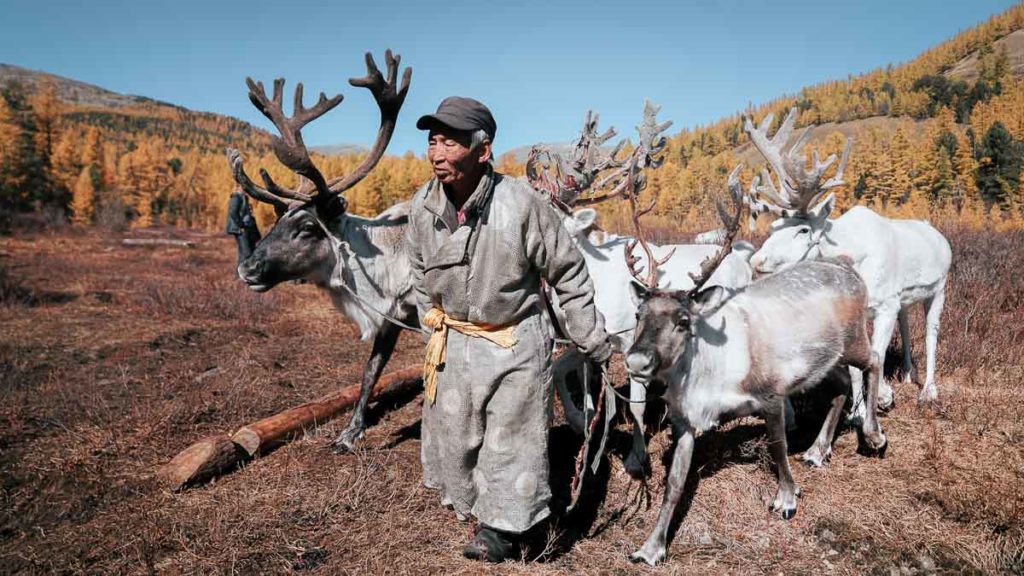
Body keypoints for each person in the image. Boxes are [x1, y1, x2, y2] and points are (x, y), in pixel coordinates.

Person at [404, 96, 613, 562]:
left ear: (483, 151)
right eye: (432, 142)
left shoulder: (522, 204)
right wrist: (432, 326)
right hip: (454, 340)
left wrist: (591, 336)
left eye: (451, 142)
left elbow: (568, 272)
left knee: (511, 439)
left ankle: (503, 530)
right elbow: (419, 274)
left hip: (514, 339)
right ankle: (479, 506)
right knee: (457, 436)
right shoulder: (422, 208)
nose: (437, 153)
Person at [225, 187, 261, 266]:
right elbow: (233, 212)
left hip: (246, 227)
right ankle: (245, 274)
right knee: (247, 252)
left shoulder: (244, 197)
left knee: (244, 252)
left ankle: (239, 275)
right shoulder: (236, 197)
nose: (245, 188)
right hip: (240, 229)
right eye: (243, 186)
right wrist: (240, 225)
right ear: (238, 187)